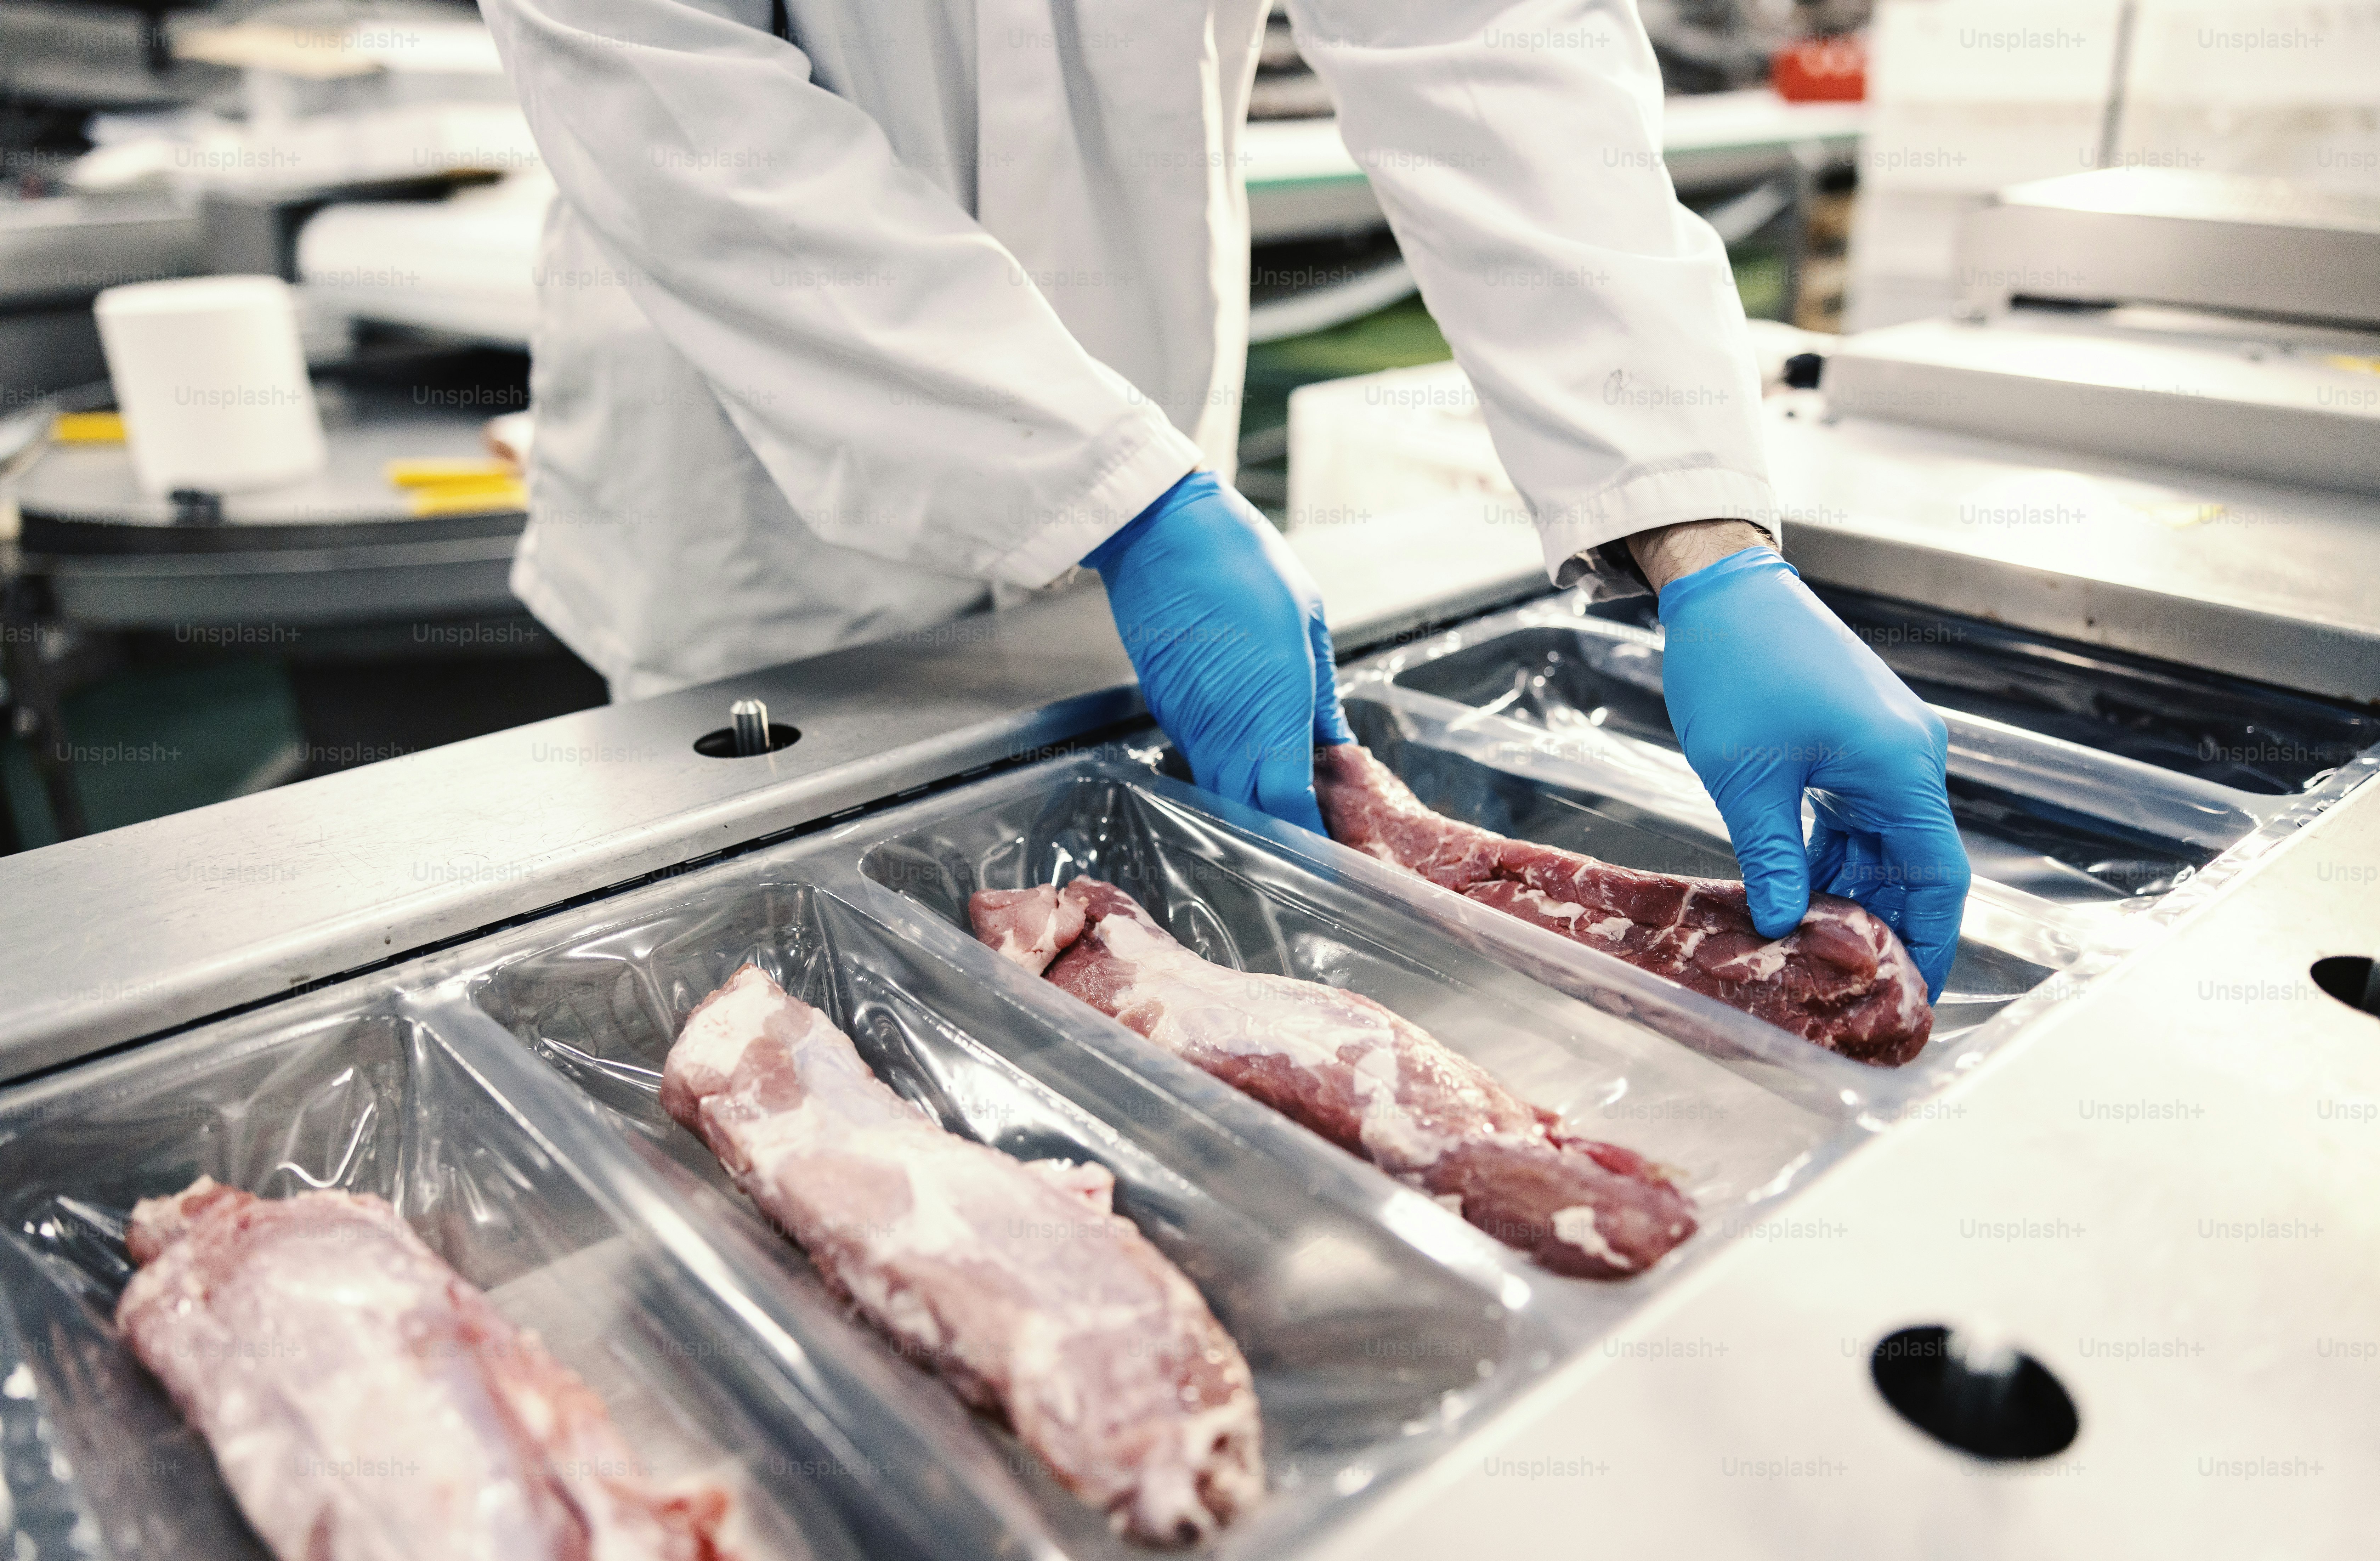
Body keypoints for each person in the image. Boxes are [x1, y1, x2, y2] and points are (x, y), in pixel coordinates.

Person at [478, 0, 1970, 997]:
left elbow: (1483, 35)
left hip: (1134, 429)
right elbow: (669, 95)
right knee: (759, 993)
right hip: (758, 486)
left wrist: (1703, 537)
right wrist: (1113, 496)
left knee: (1118, 974)